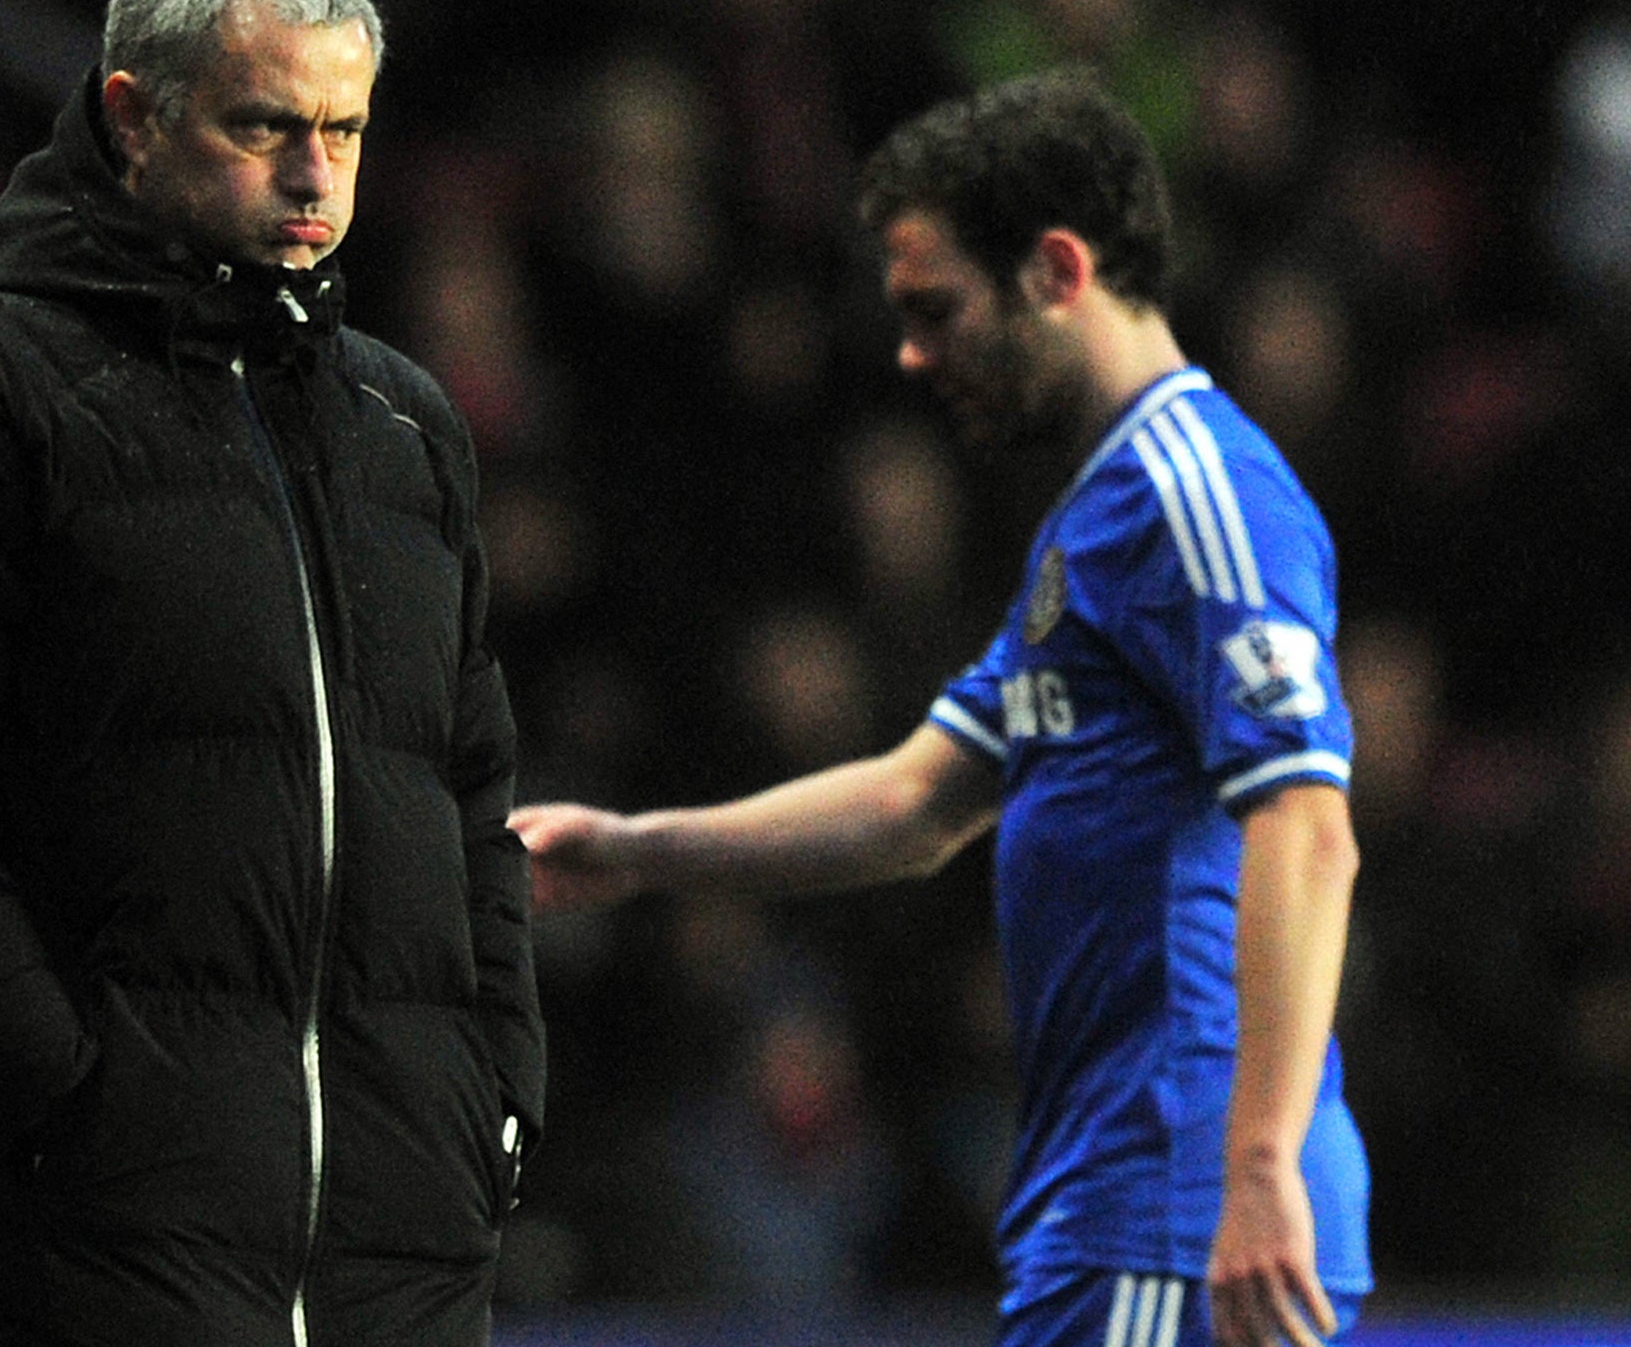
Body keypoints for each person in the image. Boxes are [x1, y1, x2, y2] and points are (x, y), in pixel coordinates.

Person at [0, 0, 544, 1347]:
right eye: (266, 127)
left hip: (398, 1256)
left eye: (346, 130)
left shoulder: (407, 432)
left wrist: (488, 1092)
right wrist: (58, 1094)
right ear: (133, 119)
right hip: (74, 1253)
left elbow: (469, 803)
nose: (317, 175)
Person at [514, 70, 1371, 1347]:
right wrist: (638, 851)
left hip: (1176, 1199)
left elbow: (1307, 827)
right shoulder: (1095, 519)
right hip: (1126, 1197)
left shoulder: (1194, 498)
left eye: (935, 310)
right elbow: (917, 799)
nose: (914, 355)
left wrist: (1251, 1171)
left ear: (1056, 269)